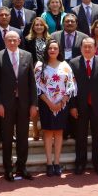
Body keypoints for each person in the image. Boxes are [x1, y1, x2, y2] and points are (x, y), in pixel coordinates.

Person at [68, 37, 98, 176]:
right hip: (80, 106)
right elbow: (70, 87)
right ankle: (80, 164)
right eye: (84, 47)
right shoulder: (73, 63)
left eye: (90, 47)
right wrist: (72, 106)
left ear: (95, 48)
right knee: (80, 136)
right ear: (81, 48)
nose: (87, 49)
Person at [36, 39, 75, 176]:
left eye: (55, 48)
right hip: (46, 104)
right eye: (50, 48)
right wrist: (50, 103)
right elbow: (37, 87)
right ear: (46, 50)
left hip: (62, 105)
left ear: (59, 50)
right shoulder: (40, 66)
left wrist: (63, 101)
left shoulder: (65, 65)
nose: (52, 50)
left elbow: (71, 85)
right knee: (47, 132)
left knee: (59, 132)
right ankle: (49, 163)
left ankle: (57, 163)